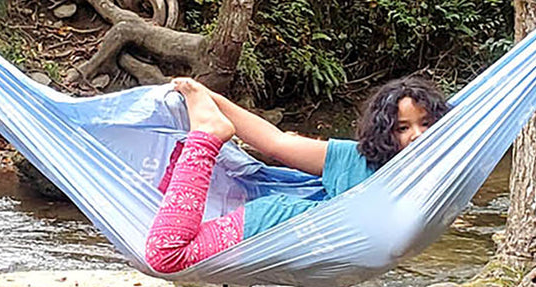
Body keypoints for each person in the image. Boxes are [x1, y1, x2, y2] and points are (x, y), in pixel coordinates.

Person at [144, 75, 450, 273]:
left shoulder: (442, 173)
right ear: (385, 131)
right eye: (403, 127)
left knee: (171, 252)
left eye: (426, 124)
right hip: (276, 224)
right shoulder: (357, 157)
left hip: (301, 241)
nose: (418, 135)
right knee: (166, 254)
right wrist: (209, 97)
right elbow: (277, 142)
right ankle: (207, 135)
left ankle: (208, 131)